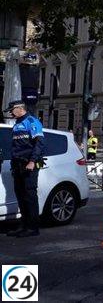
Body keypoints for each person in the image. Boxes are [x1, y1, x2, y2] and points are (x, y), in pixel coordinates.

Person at [4, 100, 45, 238]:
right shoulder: (17, 124)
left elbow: (39, 144)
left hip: (29, 165)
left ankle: (33, 228)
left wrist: (32, 161)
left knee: (29, 196)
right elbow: (17, 147)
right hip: (18, 165)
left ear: (20, 108)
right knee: (20, 196)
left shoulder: (32, 121)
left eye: (12, 110)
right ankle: (24, 225)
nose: (10, 112)